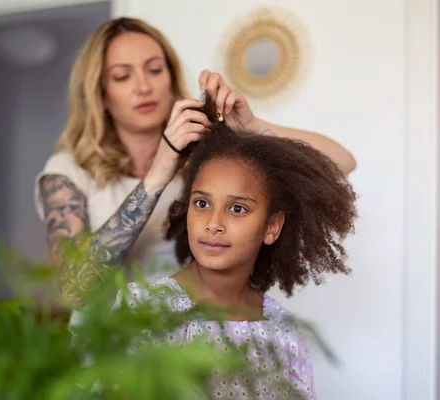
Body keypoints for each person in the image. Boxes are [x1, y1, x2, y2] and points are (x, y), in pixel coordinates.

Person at [34, 17, 357, 307]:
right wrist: (159, 170)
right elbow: (73, 288)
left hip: (196, 343)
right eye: (122, 76)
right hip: (109, 350)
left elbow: (340, 164)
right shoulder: (68, 172)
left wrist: (253, 127)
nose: (143, 86)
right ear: (100, 93)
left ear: (171, 78)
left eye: (154, 69)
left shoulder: (207, 157)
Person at [113, 94, 358, 399]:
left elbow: (341, 162)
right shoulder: (146, 312)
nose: (214, 222)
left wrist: (254, 126)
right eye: (201, 203)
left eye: (237, 209)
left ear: (272, 226)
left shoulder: (284, 331)